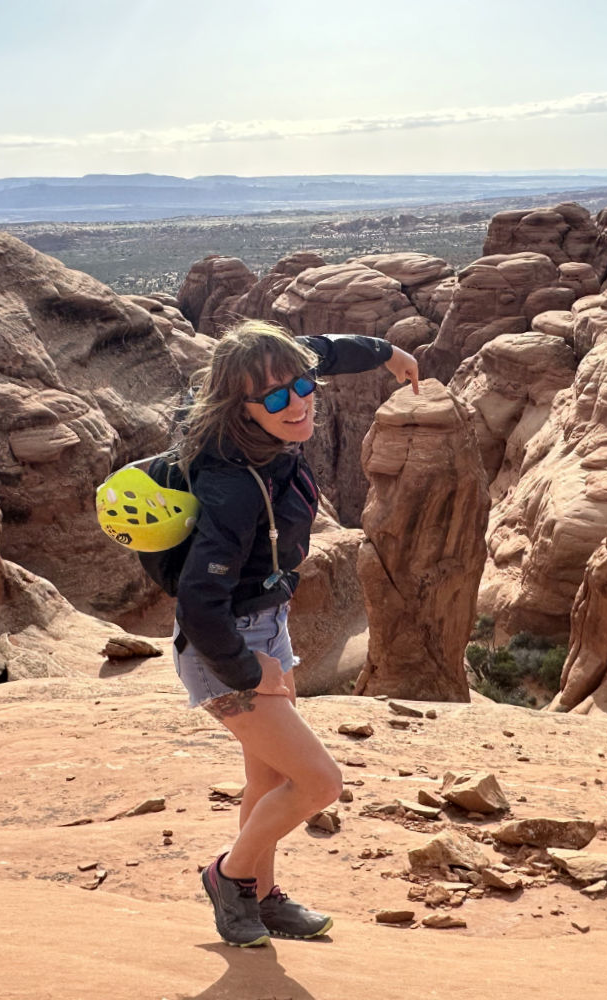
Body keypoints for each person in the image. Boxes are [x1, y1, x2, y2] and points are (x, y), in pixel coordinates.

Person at [171, 319, 419, 947]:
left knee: (267, 782)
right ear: (240, 408)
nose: (299, 401)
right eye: (276, 398)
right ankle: (229, 877)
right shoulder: (232, 484)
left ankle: (263, 895)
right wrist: (251, 670)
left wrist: (389, 353)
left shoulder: (278, 409)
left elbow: (324, 352)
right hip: (223, 648)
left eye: (303, 386)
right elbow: (200, 601)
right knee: (317, 783)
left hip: (268, 624)